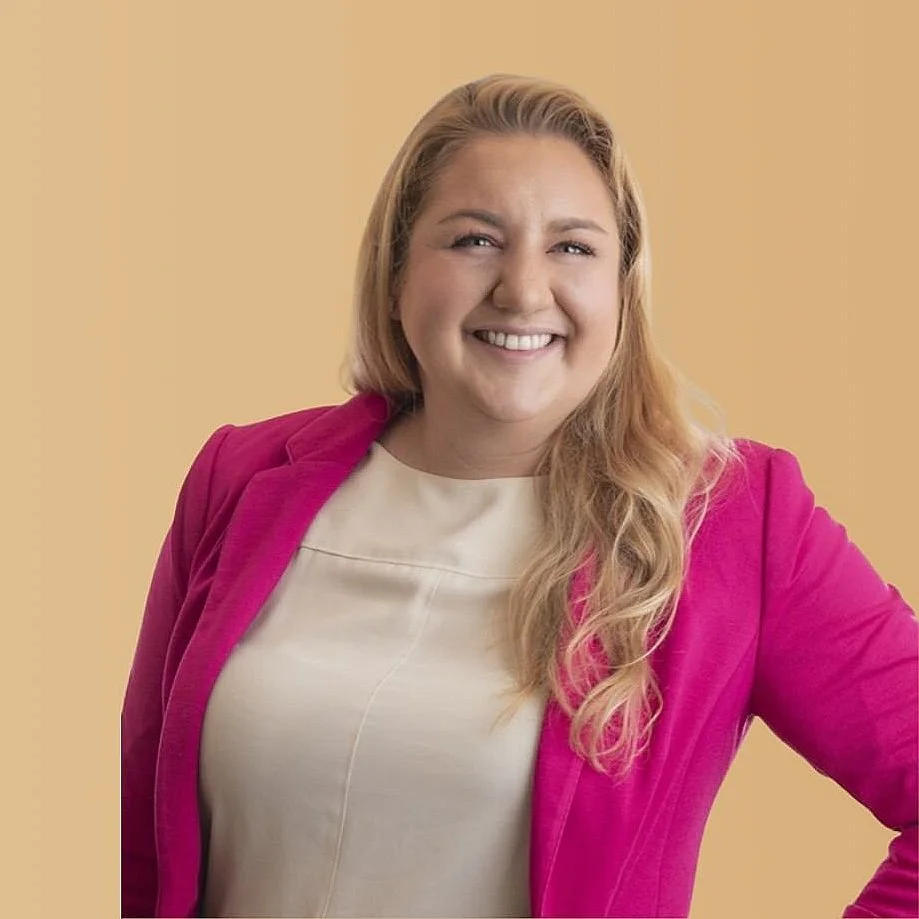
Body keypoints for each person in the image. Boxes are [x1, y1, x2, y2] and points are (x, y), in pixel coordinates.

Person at [121, 73, 918, 919]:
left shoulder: (732, 521)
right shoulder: (239, 480)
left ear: (623, 290)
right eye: (473, 240)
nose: (524, 290)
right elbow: (149, 832)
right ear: (396, 273)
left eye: (572, 247)